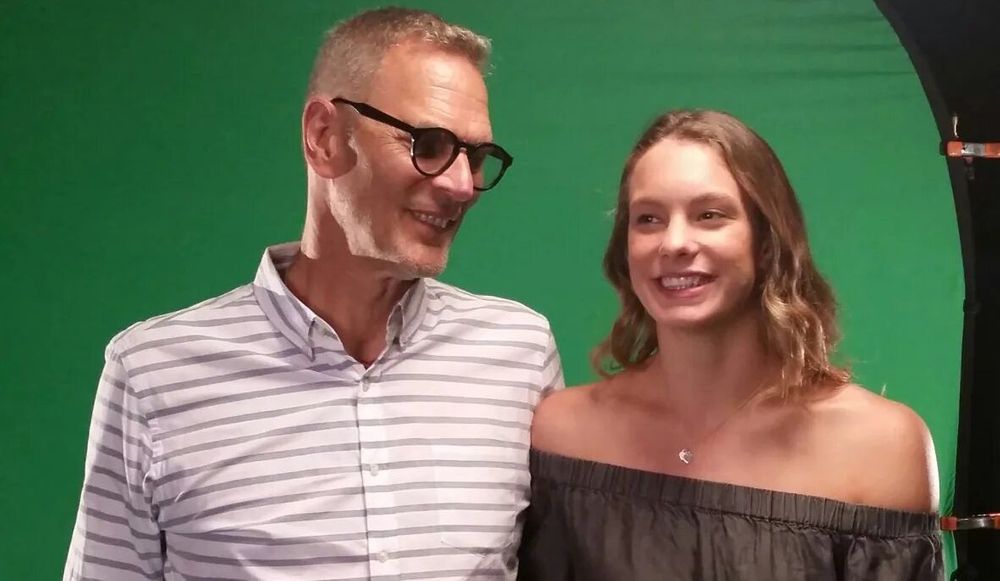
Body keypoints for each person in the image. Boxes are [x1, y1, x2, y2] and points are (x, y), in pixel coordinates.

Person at [64, 7, 562, 580]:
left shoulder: (519, 354)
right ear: (324, 137)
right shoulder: (153, 375)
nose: (460, 185)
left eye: (476, 157)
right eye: (429, 144)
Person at [518, 109, 942, 580]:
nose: (674, 242)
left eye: (710, 215)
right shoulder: (561, 433)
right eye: (649, 219)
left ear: (766, 241)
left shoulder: (881, 449)